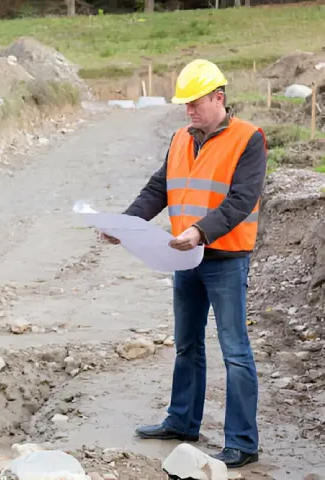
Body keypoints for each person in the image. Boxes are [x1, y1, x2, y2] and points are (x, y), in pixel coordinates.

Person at [103, 59, 267, 469]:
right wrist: (124, 223)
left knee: (234, 350)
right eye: (185, 104)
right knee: (187, 344)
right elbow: (160, 187)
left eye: (195, 103)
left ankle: (243, 443)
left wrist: (200, 230)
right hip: (185, 255)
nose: (188, 111)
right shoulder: (181, 138)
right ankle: (182, 421)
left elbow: (241, 200)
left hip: (224, 258)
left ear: (219, 98)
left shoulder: (248, 139)